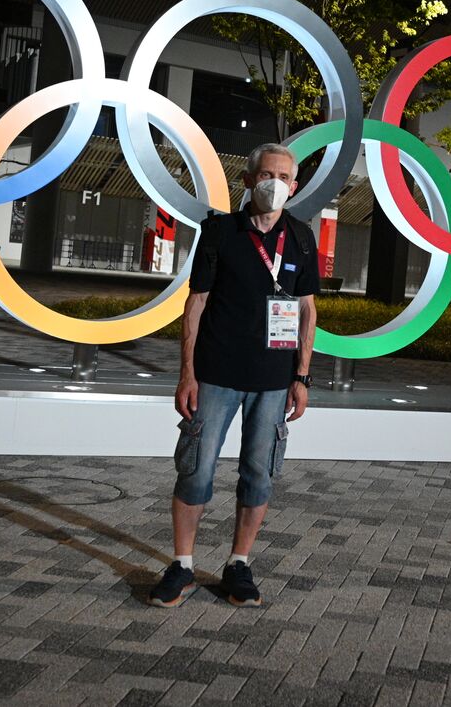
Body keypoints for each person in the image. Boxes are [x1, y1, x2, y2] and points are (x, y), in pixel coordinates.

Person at [149, 142, 319, 608]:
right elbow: (196, 303)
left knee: (259, 475)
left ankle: (238, 564)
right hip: (215, 376)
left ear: (295, 185)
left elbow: (307, 311)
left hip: (273, 382)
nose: (276, 185)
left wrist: (302, 377)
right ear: (247, 180)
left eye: (285, 177)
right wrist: (187, 373)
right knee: (195, 471)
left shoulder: (302, 237)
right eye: (267, 175)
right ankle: (182, 566)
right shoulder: (221, 231)